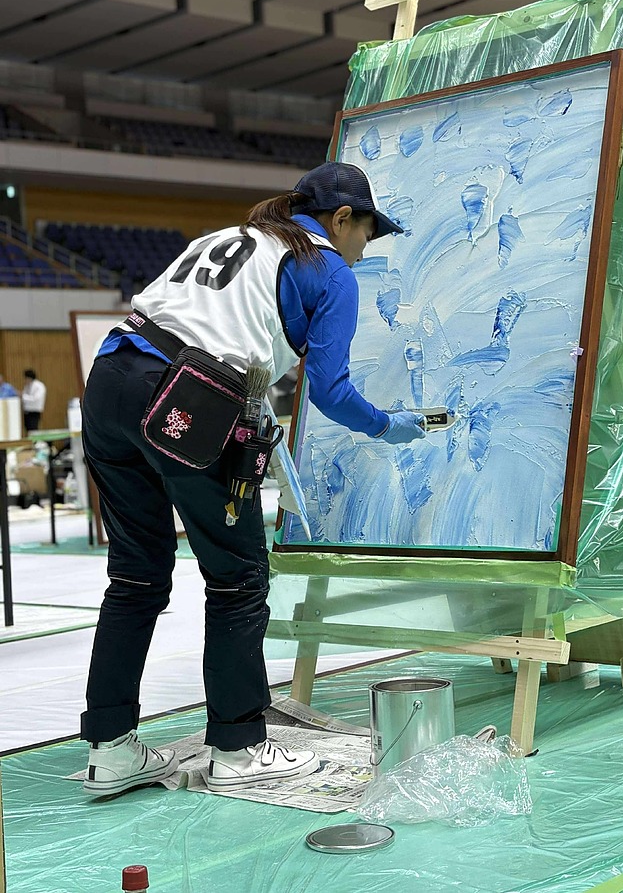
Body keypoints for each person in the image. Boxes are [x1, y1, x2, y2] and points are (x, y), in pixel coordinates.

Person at [80, 162, 427, 798]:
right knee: (239, 578)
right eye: (368, 233)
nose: (365, 248)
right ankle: (238, 748)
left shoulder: (229, 237)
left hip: (109, 378)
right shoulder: (329, 270)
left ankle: (111, 750)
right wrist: (385, 425)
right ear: (341, 219)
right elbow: (330, 389)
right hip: (184, 395)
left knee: (135, 575)